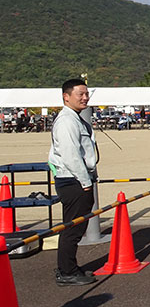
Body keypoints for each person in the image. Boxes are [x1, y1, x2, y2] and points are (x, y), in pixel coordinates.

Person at [48, 79, 98, 286]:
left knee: (74, 226)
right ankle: (67, 271)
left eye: (87, 94)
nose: (85, 98)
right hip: (73, 180)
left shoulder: (73, 118)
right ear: (66, 97)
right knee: (73, 228)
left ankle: (69, 267)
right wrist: (85, 182)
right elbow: (71, 155)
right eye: (80, 94)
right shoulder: (67, 121)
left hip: (74, 179)